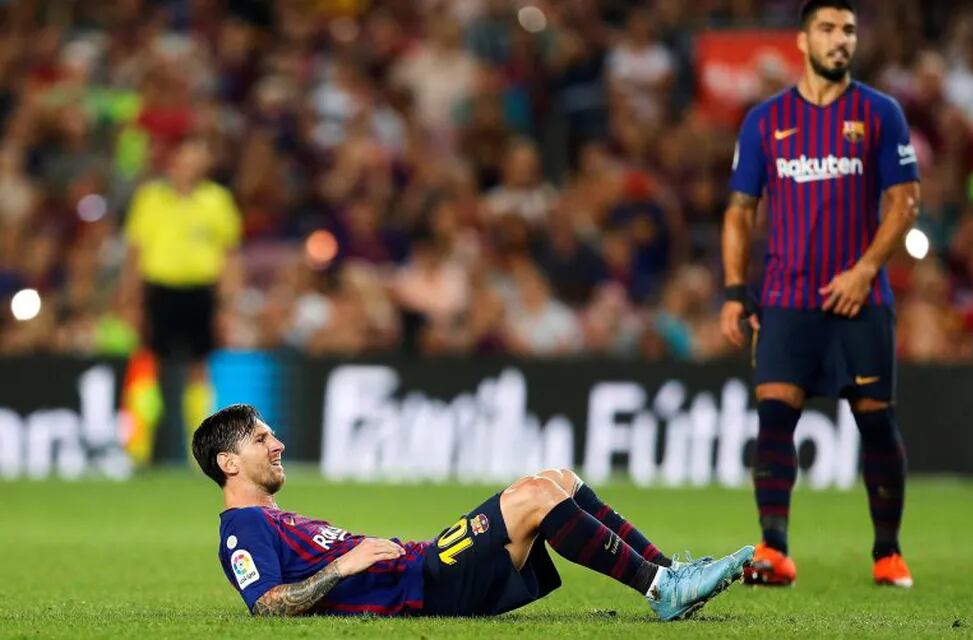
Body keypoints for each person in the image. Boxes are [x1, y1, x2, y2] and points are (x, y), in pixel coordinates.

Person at [192, 404, 753, 620]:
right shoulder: (243, 529)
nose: (278, 444)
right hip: (426, 585)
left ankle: (670, 575)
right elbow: (266, 607)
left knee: (557, 479)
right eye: (262, 439)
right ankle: (662, 588)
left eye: (272, 433)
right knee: (536, 496)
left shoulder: (275, 517)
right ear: (228, 462)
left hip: (424, 565)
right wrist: (346, 565)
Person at [720, 0, 919, 588]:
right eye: (828, 29)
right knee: (775, 415)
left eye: (849, 30)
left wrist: (864, 271)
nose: (841, 40)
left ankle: (888, 552)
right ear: (803, 40)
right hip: (785, 296)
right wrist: (735, 291)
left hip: (860, 300)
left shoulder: (881, 114)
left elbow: (905, 202)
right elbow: (739, 211)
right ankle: (774, 549)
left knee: (875, 422)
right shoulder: (765, 121)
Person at [123, 136, 242, 461]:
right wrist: (131, 302)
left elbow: (230, 255)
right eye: (184, 158)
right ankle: (139, 447)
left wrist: (227, 305)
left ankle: (198, 451)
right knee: (148, 365)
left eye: (196, 159)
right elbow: (135, 254)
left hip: (200, 293)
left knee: (199, 369)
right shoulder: (150, 199)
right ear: (172, 162)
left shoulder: (217, 200)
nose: (189, 166)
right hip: (159, 291)